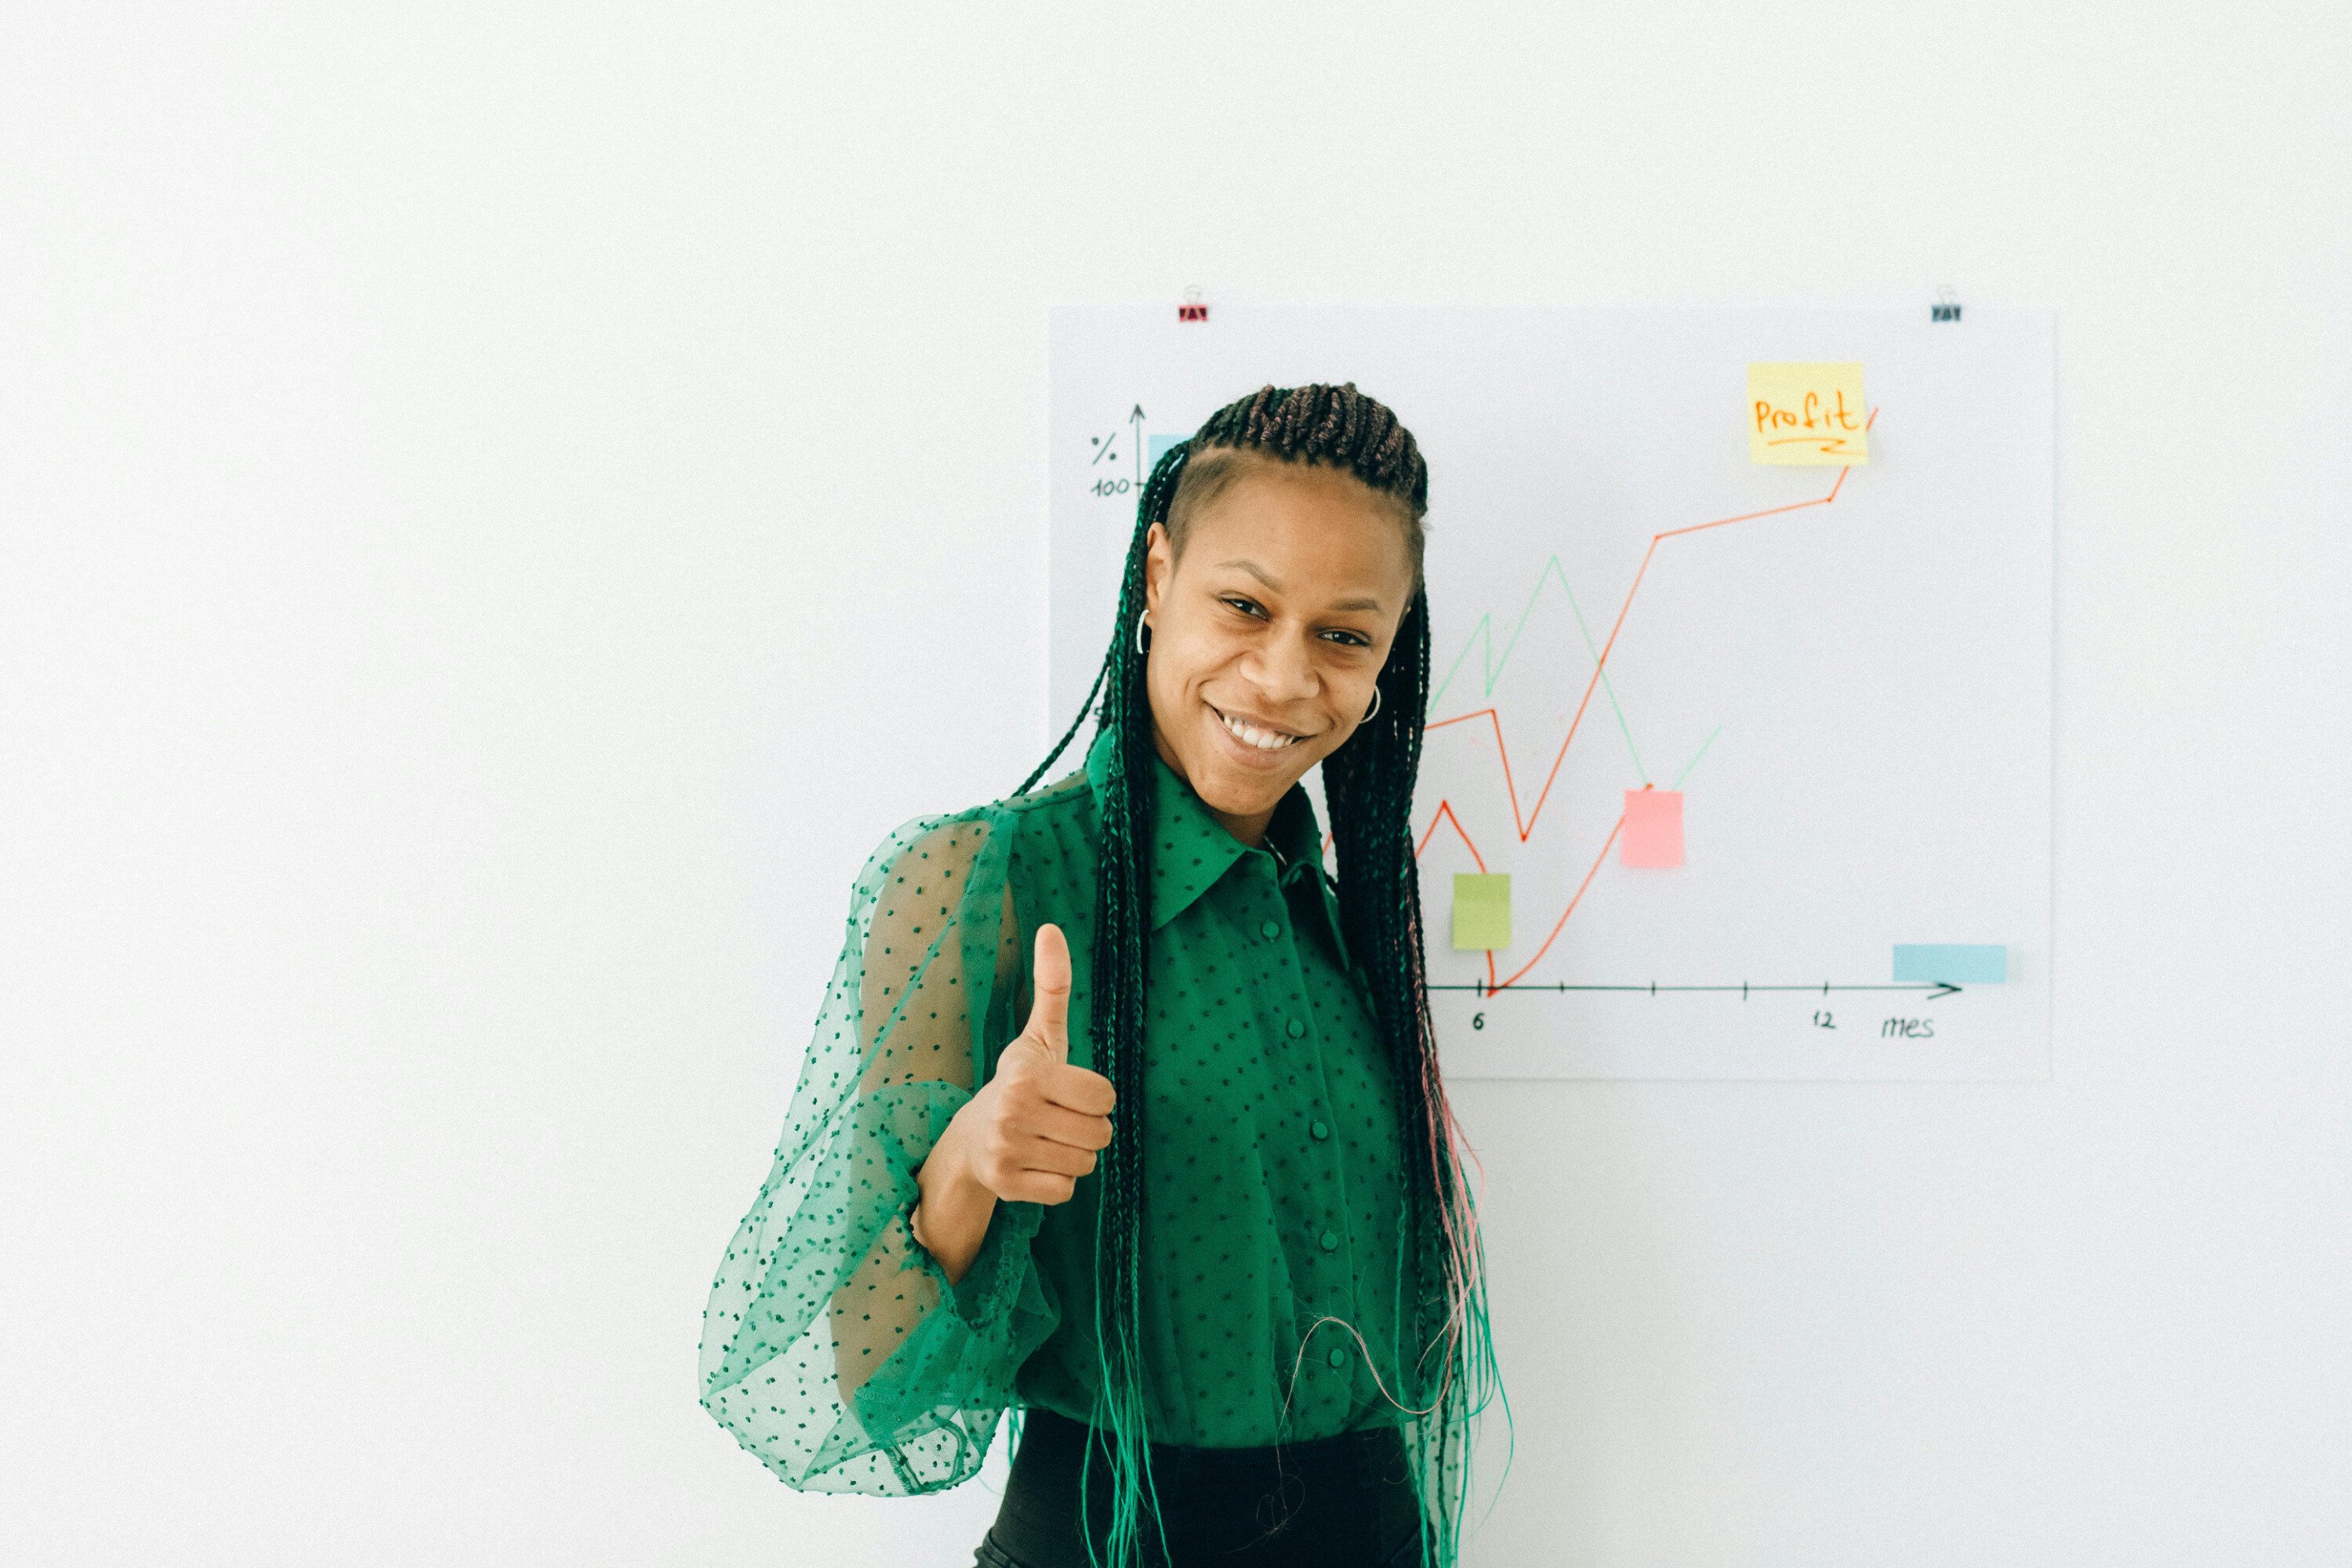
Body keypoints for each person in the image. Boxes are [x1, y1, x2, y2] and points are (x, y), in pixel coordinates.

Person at [699, 383, 1504, 1567]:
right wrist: (970, 1165)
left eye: (1343, 635)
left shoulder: (1345, 927)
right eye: (1244, 605)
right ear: (1157, 576)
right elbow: (860, 1376)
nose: (1284, 679)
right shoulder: (982, 882)